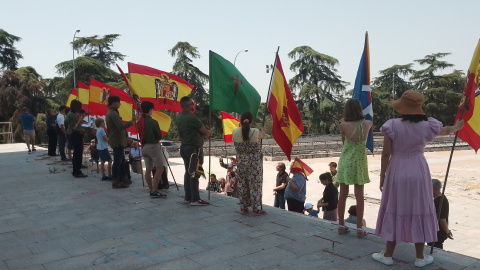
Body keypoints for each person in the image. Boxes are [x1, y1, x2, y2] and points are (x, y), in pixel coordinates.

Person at [372, 90, 464, 267]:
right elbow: (445, 130)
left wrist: (382, 176)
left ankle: (388, 255)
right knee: (419, 209)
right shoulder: (427, 125)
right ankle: (420, 257)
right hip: (419, 169)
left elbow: (386, 154)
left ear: (402, 107)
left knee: (395, 208)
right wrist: (457, 126)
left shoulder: (391, 125)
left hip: (397, 169)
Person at [335, 98, 373, 238]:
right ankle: (359, 227)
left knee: (343, 195)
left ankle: (340, 224)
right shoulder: (368, 123)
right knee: (360, 196)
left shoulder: (343, 125)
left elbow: (344, 142)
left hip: (346, 160)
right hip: (359, 162)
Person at [176, 96, 212, 206]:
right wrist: (210, 132)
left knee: (188, 172)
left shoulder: (179, 117)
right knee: (195, 173)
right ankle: (195, 199)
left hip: (184, 147)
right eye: (192, 103)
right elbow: (206, 132)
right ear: (188, 106)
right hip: (194, 149)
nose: (193, 105)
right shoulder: (192, 118)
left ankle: (188, 196)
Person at [232, 111, 266, 216]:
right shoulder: (255, 131)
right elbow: (262, 135)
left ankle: (243, 208)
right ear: (251, 121)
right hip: (254, 166)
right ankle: (255, 208)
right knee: (255, 186)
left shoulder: (235, 131)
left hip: (241, 164)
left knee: (243, 185)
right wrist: (263, 130)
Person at [105, 95, 137, 189]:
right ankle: (116, 181)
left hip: (118, 140)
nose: (120, 104)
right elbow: (120, 126)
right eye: (118, 102)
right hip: (117, 140)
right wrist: (132, 122)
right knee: (118, 162)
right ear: (114, 102)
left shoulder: (112, 112)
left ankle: (124, 179)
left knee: (122, 161)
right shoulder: (113, 114)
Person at [137, 101, 167, 198]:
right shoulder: (153, 122)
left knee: (148, 169)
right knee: (160, 168)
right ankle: (154, 190)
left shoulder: (139, 121)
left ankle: (151, 189)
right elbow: (158, 136)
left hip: (144, 147)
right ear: (150, 109)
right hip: (153, 146)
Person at [428, 178, 453, 249]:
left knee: (436, 248)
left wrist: (447, 231)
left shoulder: (441, 202)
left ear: (434, 189)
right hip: (433, 231)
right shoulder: (436, 200)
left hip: (437, 233)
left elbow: (442, 220)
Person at [65, 100, 87, 178]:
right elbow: (74, 127)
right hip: (75, 135)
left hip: (77, 134)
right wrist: (79, 120)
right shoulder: (71, 115)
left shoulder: (72, 114)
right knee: (78, 153)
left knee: (77, 153)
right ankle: (77, 171)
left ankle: (76, 170)